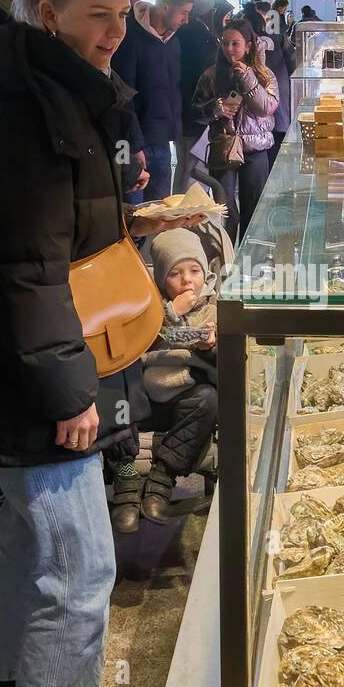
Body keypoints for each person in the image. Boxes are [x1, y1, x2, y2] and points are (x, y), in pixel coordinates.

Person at [0, 0, 201, 687]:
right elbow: (23, 268)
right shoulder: (29, 110)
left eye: (124, 13)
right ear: (47, 11)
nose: (116, 31)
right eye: (98, 15)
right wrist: (68, 392)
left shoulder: (55, 89)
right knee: (81, 570)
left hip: (24, 362)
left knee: (34, 544)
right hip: (35, 375)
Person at [110, 228, 220, 532]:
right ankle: (127, 487)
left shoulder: (214, 309)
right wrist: (170, 312)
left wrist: (211, 347)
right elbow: (142, 342)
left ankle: (161, 482)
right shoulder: (147, 309)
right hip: (143, 395)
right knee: (116, 395)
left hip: (185, 397)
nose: (187, 280)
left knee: (210, 399)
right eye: (175, 273)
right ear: (160, 279)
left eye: (194, 271)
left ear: (205, 273)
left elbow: (227, 367)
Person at [191, 17, 278, 243]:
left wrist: (248, 78)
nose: (229, 49)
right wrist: (216, 108)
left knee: (254, 210)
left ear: (248, 45)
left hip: (255, 148)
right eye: (225, 43)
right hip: (223, 147)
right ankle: (226, 261)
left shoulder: (264, 74)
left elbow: (266, 108)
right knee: (226, 210)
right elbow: (195, 111)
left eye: (235, 44)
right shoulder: (211, 74)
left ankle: (250, 261)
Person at [112, 0, 193, 203]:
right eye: (183, 13)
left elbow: (173, 89)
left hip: (163, 141)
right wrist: (134, 144)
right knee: (135, 213)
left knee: (162, 209)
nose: (186, 20)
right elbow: (123, 95)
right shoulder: (129, 37)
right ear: (165, 6)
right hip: (136, 145)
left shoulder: (174, 42)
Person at [174, 0, 219, 194]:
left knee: (185, 164)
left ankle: (182, 212)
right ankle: (187, 216)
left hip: (182, 111)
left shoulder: (179, 34)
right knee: (192, 167)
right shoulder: (200, 38)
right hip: (195, 113)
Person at [244, 2, 294, 165]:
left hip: (259, 99)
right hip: (275, 93)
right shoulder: (276, 37)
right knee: (276, 136)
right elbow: (292, 61)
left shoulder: (247, 40)